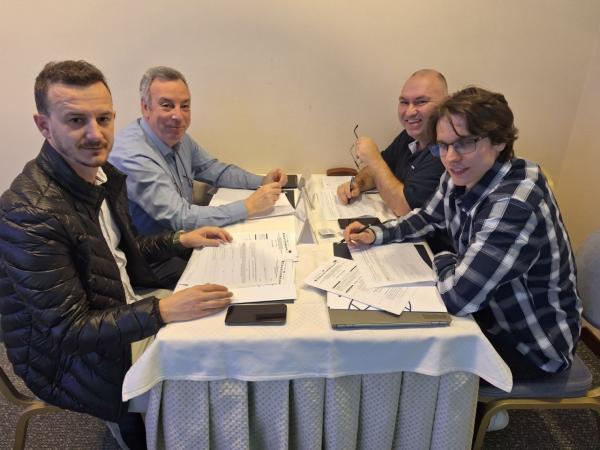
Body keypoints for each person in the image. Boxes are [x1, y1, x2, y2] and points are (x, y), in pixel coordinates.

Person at [0, 60, 235, 450]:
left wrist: (181, 238)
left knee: (225, 329)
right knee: (208, 372)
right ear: (44, 126)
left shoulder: (101, 175)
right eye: (76, 120)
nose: (95, 133)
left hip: (121, 309)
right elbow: (69, 331)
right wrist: (162, 310)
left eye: (104, 119)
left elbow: (117, 253)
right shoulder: (30, 213)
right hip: (71, 361)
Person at [345, 86, 582, 381]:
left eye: (465, 143)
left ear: (499, 141)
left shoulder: (514, 202)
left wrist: (444, 256)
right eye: (443, 146)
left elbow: (458, 298)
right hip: (486, 312)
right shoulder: (463, 172)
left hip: (530, 346)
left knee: (400, 362)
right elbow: (428, 216)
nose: (451, 157)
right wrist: (376, 233)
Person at [109, 66, 287, 237]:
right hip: (155, 252)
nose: (178, 116)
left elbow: (214, 170)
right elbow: (180, 218)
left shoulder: (178, 137)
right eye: (167, 105)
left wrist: (261, 181)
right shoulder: (132, 155)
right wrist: (248, 206)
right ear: (145, 107)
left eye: (185, 106)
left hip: (184, 239)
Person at [336, 69, 448, 216]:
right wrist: (358, 183)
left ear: (446, 104)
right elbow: (380, 171)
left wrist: (374, 159)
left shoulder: (445, 152)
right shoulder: (410, 135)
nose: (409, 112)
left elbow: (403, 208)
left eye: (421, 102)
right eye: (404, 102)